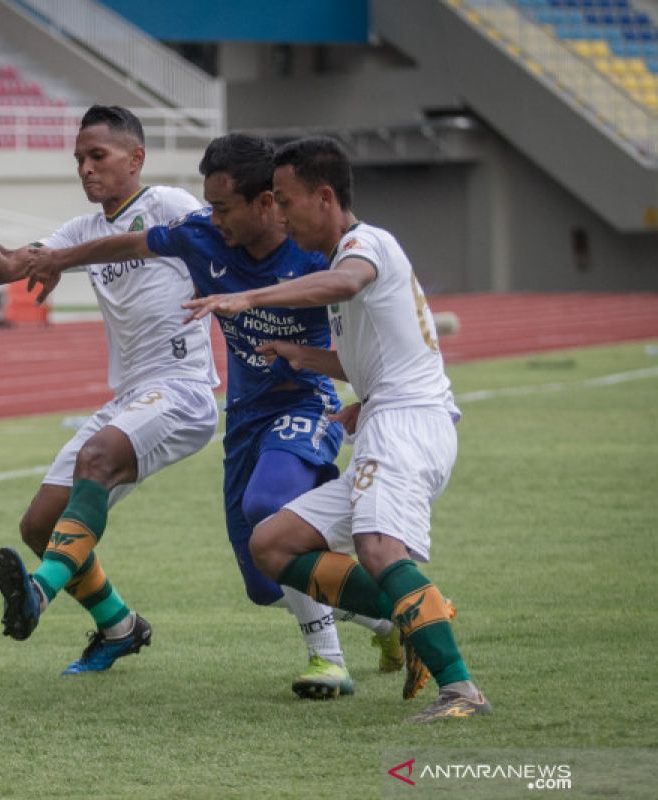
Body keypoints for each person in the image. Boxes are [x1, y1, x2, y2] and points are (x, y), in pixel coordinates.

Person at [25, 133, 399, 699]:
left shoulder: (320, 250)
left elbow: (374, 331)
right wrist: (56, 259)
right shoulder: (204, 236)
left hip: (308, 403)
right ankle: (386, 620)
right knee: (263, 577)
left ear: (266, 204)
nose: (212, 217)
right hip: (245, 415)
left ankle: (329, 662)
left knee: (270, 507)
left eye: (224, 207)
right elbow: (128, 245)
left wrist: (365, 392)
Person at [184, 136, 490, 723]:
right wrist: (304, 357)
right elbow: (364, 359)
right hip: (384, 416)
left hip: (405, 425)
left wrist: (246, 298)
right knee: (273, 544)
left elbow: (348, 283)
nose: (279, 212)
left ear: (324, 196)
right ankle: (413, 617)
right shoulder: (340, 262)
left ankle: (461, 692)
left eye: (286, 199)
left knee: (379, 549)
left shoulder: (363, 245)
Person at [0, 105, 219, 674]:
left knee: (96, 457)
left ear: (136, 159)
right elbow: (9, 267)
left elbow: (200, 248)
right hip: (131, 397)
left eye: (97, 156)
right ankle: (120, 626)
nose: (85, 168)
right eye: (79, 159)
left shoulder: (170, 205)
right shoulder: (79, 230)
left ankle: (39, 591)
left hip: (181, 391)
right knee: (38, 524)